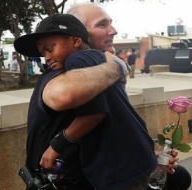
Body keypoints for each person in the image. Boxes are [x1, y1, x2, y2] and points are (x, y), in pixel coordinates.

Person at [15, 13, 157, 190]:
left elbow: (94, 112)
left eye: (50, 48)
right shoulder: (100, 60)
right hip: (136, 160)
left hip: (118, 169)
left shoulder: (78, 59)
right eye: (43, 53)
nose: (47, 57)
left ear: (75, 41)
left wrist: (56, 146)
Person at [66, 3, 190, 190]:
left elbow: (118, 129)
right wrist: (119, 65)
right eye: (102, 25)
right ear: (78, 37)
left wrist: (150, 155)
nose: (113, 31)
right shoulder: (81, 68)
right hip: (120, 177)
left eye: (111, 23)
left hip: (136, 164)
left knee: (180, 177)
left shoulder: (104, 70)